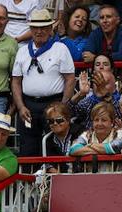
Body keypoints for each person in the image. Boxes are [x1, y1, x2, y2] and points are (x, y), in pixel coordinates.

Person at [10, 9, 75, 158]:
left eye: (44, 28)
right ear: (30, 29)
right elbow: (16, 81)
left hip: (53, 103)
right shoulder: (23, 51)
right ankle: (28, 179)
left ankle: (54, 178)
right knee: (28, 146)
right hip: (28, 104)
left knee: (54, 144)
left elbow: (70, 79)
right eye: (35, 28)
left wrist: (63, 105)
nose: (39, 31)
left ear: (50, 29)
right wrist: (20, 106)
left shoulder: (60, 49)